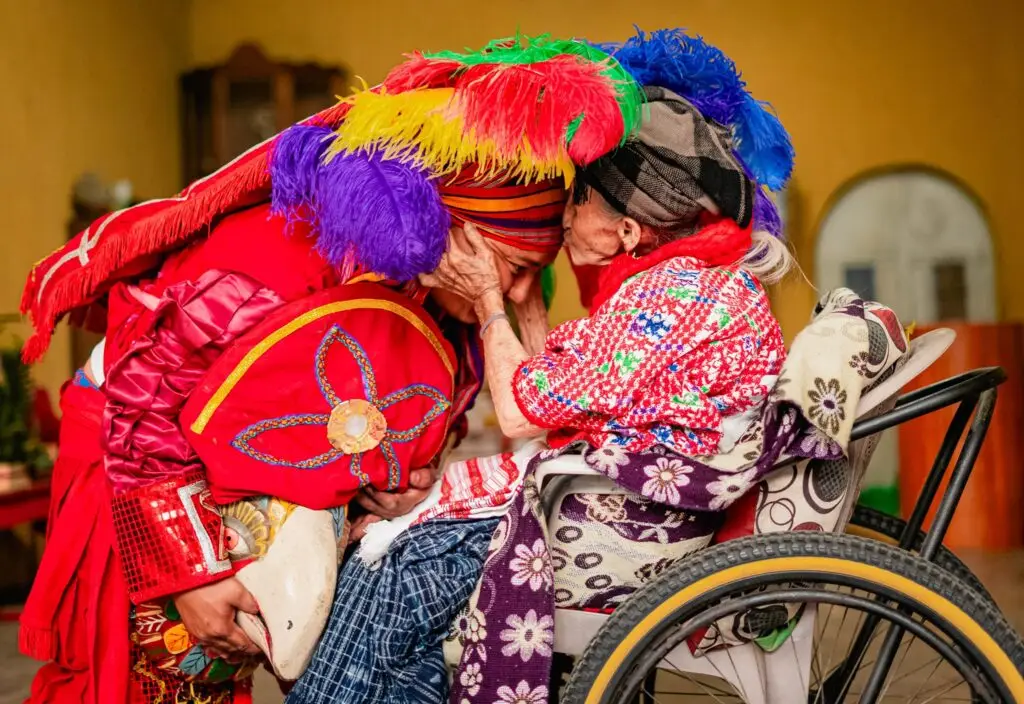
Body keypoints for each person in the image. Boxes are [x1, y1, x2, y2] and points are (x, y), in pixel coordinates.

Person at [17, 33, 641, 704]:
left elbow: (409, 420)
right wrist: (190, 575)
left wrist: (401, 485)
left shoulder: (443, 303)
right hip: (133, 466)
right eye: (516, 269)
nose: (520, 293)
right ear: (459, 234)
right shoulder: (280, 250)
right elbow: (145, 396)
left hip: (240, 498)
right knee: (133, 683)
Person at [416, 28, 801, 703]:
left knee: (392, 567)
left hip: (627, 529)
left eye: (580, 199)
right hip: (637, 512)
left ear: (629, 231)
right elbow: (553, 406)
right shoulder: (690, 284)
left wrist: (486, 302)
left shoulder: (666, 296)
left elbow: (516, 411)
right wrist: (527, 305)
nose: (563, 217)